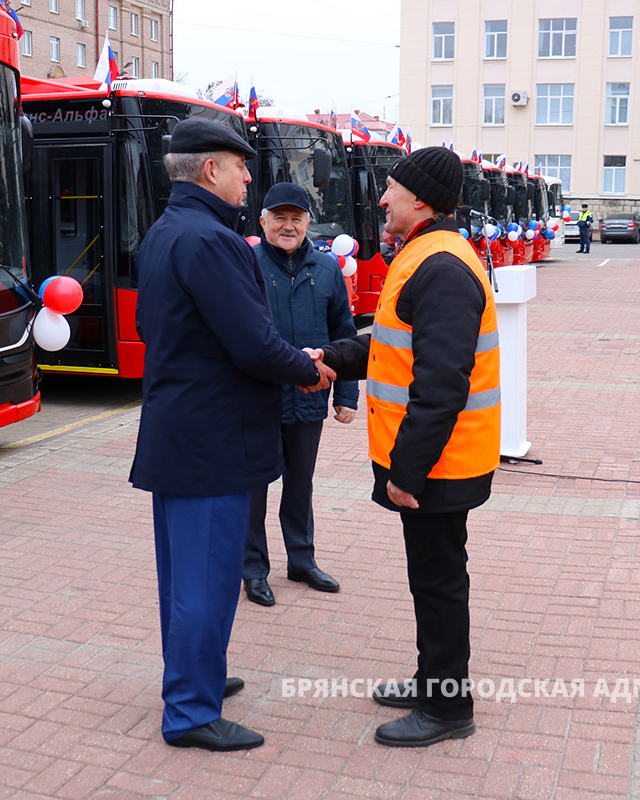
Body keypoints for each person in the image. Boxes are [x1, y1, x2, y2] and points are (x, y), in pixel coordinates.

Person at [129, 119, 329, 752]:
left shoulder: (167, 232)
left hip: (184, 435)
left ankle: (196, 676)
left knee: (186, 576)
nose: (250, 177)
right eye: (241, 167)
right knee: (205, 580)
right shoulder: (212, 241)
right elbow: (251, 342)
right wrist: (308, 368)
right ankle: (189, 712)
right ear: (211, 170)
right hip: (210, 441)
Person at [313, 146, 501, 748]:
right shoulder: (424, 254)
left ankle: (448, 709)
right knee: (432, 579)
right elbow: (394, 345)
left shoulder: (441, 265)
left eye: (391, 188)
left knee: (440, 582)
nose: (382, 198)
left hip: (438, 466)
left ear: (420, 199)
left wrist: (407, 473)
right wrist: (332, 358)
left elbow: (441, 384)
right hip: (435, 462)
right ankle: (433, 683)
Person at [244, 183, 359, 607]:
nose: (288, 226)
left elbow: (344, 336)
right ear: (263, 221)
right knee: (255, 486)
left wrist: (347, 395)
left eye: (296, 218)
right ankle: (253, 569)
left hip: (309, 398)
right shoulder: (247, 264)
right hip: (257, 399)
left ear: (308, 222)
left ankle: (301, 559)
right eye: (279, 217)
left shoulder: (326, 269)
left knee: (301, 484)